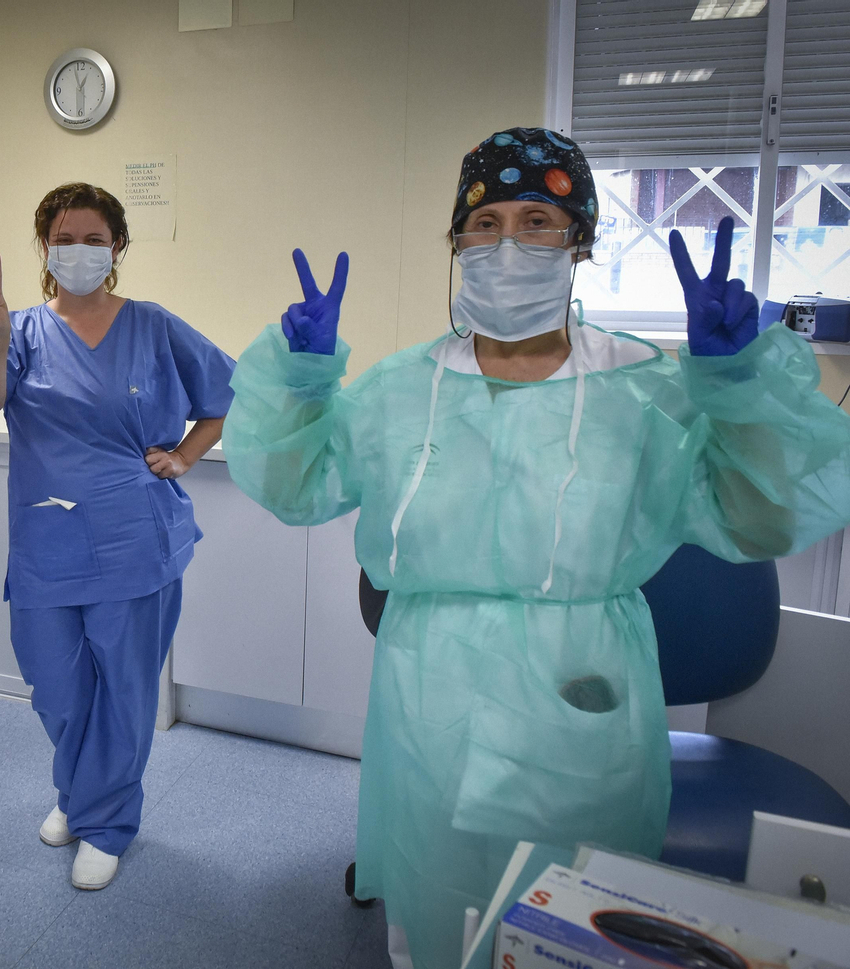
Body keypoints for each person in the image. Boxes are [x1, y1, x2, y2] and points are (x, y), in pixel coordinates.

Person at [223, 127, 850, 969]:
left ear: (579, 242)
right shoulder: (403, 390)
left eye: (538, 221)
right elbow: (298, 488)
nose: (507, 244)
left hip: (579, 705)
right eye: (484, 223)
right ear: (456, 241)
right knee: (434, 914)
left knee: (574, 926)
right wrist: (301, 381)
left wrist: (736, 387)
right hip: (429, 702)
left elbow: (757, 518)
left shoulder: (641, 389)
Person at [0, 182, 236, 890]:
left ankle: (105, 819)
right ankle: (82, 791)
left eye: (93, 237)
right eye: (63, 237)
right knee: (55, 682)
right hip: (46, 540)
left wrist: (185, 457)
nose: (77, 249)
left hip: (133, 538)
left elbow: (224, 397)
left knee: (124, 687)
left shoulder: (151, 324)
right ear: (44, 246)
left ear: (116, 247)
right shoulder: (19, 330)